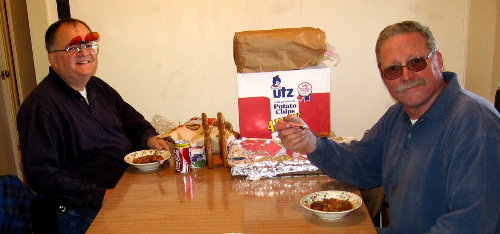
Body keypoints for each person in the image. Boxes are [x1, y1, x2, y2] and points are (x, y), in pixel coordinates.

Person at [276, 21, 499, 233]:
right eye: (393, 69)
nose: (406, 75)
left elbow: (471, 225)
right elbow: (361, 165)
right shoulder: (399, 116)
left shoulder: (475, 124)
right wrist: (311, 143)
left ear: (438, 61)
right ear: (384, 78)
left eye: (416, 62)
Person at [17, 18, 169, 233]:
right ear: (53, 59)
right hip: (77, 211)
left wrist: (149, 137)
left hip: (123, 187)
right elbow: (41, 175)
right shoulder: (41, 107)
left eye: (89, 44)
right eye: (73, 47)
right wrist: (101, 196)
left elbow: (133, 120)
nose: (84, 52)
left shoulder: (96, 86)